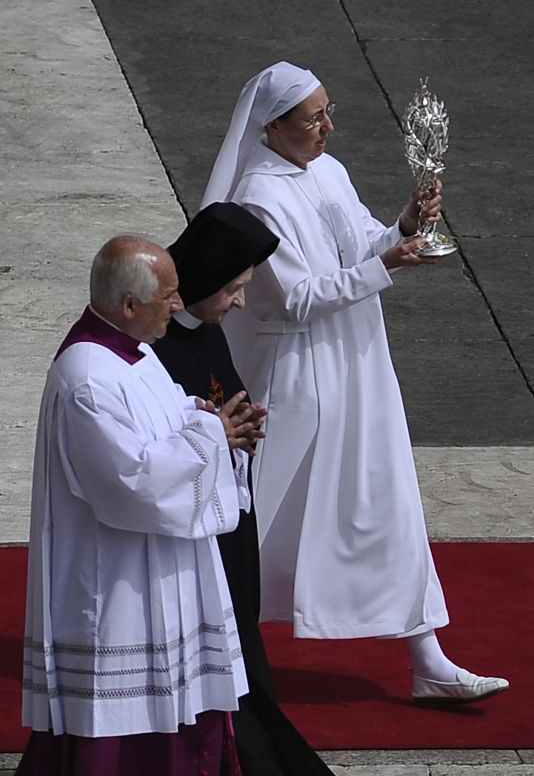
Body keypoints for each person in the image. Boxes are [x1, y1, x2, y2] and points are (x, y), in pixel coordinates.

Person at [199, 61, 509, 705]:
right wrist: (389, 266)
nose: (328, 128)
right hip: (302, 374)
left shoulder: (326, 171)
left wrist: (401, 227)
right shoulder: (259, 195)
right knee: (267, 514)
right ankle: (209, 644)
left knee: (390, 498)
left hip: (359, 361)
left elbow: (361, 241)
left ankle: (428, 658)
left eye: (328, 112)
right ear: (273, 124)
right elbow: (292, 299)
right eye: (314, 119)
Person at [17, 235, 248, 776]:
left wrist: (213, 424)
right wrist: (212, 436)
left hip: (159, 565)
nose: (177, 304)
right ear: (128, 305)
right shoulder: (87, 379)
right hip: (117, 579)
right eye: (168, 296)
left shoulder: (137, 352)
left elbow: (163, 425)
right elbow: (131, 483)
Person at [152, 201, 333, 775]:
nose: (240, 303)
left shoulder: (206, 327)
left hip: (227, 511)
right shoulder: (153, 345)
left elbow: (219, 392)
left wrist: (241, 423)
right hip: (189, 525)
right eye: (232, 288)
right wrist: (216, 429)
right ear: (201, 277)